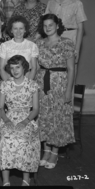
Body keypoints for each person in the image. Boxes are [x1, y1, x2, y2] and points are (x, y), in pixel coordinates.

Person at [35, 14, 75, 169]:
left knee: (57, 117)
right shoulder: (39, 43)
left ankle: (55, 153)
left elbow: (71, 69)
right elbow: (37, 66)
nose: (47, 28)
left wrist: (68, 91)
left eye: (51, 25)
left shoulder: (66, 43)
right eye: (45, 25)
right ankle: (45, 150)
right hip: (41, 83)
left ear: (57, 25)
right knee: (44, 117)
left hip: (59, 84)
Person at [0, 55, 40, 187]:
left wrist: (25, 122)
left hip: (27, 117)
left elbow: (36, 109)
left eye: (18, 67)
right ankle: (6, 180)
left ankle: (26, 179)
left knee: (24, 140)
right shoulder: (5, 84)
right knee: (5, 139)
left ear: (24, 68)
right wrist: (5, 121)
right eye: (12, 68)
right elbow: (0, 107)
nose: (15, 71)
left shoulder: (32, 85)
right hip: (8, 116)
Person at [45, 0, 87, 65]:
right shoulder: (51, 2)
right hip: (53, 39)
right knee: (54, 70)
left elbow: (81, 28)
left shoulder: (77, 3)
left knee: (70, 71)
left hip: (71, 38)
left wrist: (77, 49)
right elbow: (45, 24)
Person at [0, 15, 38, 81]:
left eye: (21, 28)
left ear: (25, 30)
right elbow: (1, 68)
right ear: (11, 30)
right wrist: (8, 84)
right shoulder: (4, 46)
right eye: (15, 28)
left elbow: (34, 68)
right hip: (9, 81)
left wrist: (28, 85)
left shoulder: (32, 46)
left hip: (26, 81)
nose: (18, 31)